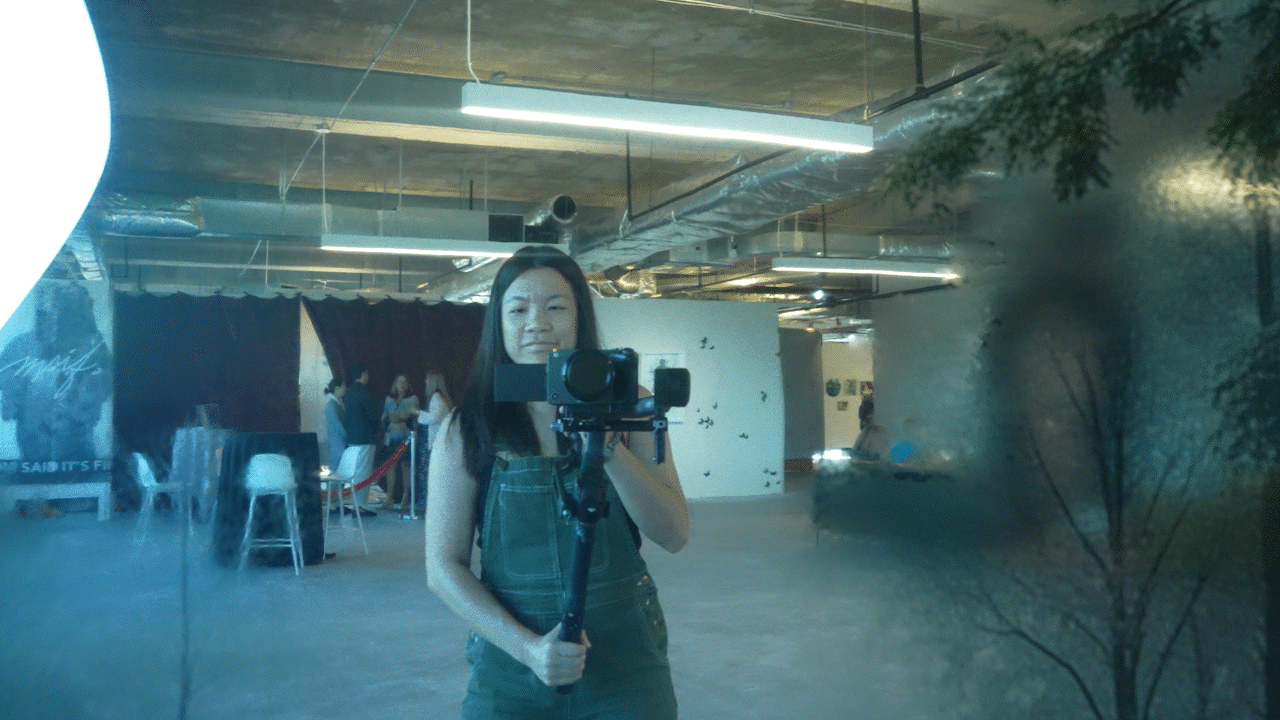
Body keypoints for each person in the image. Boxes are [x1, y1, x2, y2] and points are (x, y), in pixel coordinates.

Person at [426, 245, 689, 719]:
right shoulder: (468, 427)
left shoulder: (633, 405)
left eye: (555, 307)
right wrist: (528, 649)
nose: (537, 323)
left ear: (579, 317)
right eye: (518, 309)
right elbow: (443, 567)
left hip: (625, 661)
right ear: (498, 322)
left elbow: (673, 533)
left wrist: (606, 444)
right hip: (510, 666)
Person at [342, 363, 381, 514]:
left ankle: (357, 503)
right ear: (363, 374)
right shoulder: (365, 392)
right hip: (365, 437)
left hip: (352, 437)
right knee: (364, 472)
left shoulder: (349, 393)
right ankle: (360, 505)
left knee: (356, 471)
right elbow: (372, 415)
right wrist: (378, 429)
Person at [413, 372, 453, 515]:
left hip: (433, 443)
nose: (425, 384)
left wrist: (417, 412)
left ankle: (425, 506)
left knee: (427, 475)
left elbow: (434, 417)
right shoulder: (443, 398)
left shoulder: (436, 397)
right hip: (437, 442)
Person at [381, 374, 419, 511]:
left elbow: (415, 418)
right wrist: (389, 418)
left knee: (405, 467)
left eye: (404, 382)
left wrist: (403, 417)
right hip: (391, 437)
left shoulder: (413, 399)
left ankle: (405, 498)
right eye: (399, 382)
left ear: (407, 384)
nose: (402, 384)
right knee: (389, 467)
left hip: (406, 438)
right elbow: (385, 417)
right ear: (395, 384)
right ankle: (389, 498)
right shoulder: (389, 399)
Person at [323, 376, 347, 472]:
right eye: (343, 386)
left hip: (341, 444)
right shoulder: (331, 406)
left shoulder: (339, 403)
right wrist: (349, 437)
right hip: (337, 445)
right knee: (336, 471)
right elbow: (338, 426)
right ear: (337, 388)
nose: (345, 388)